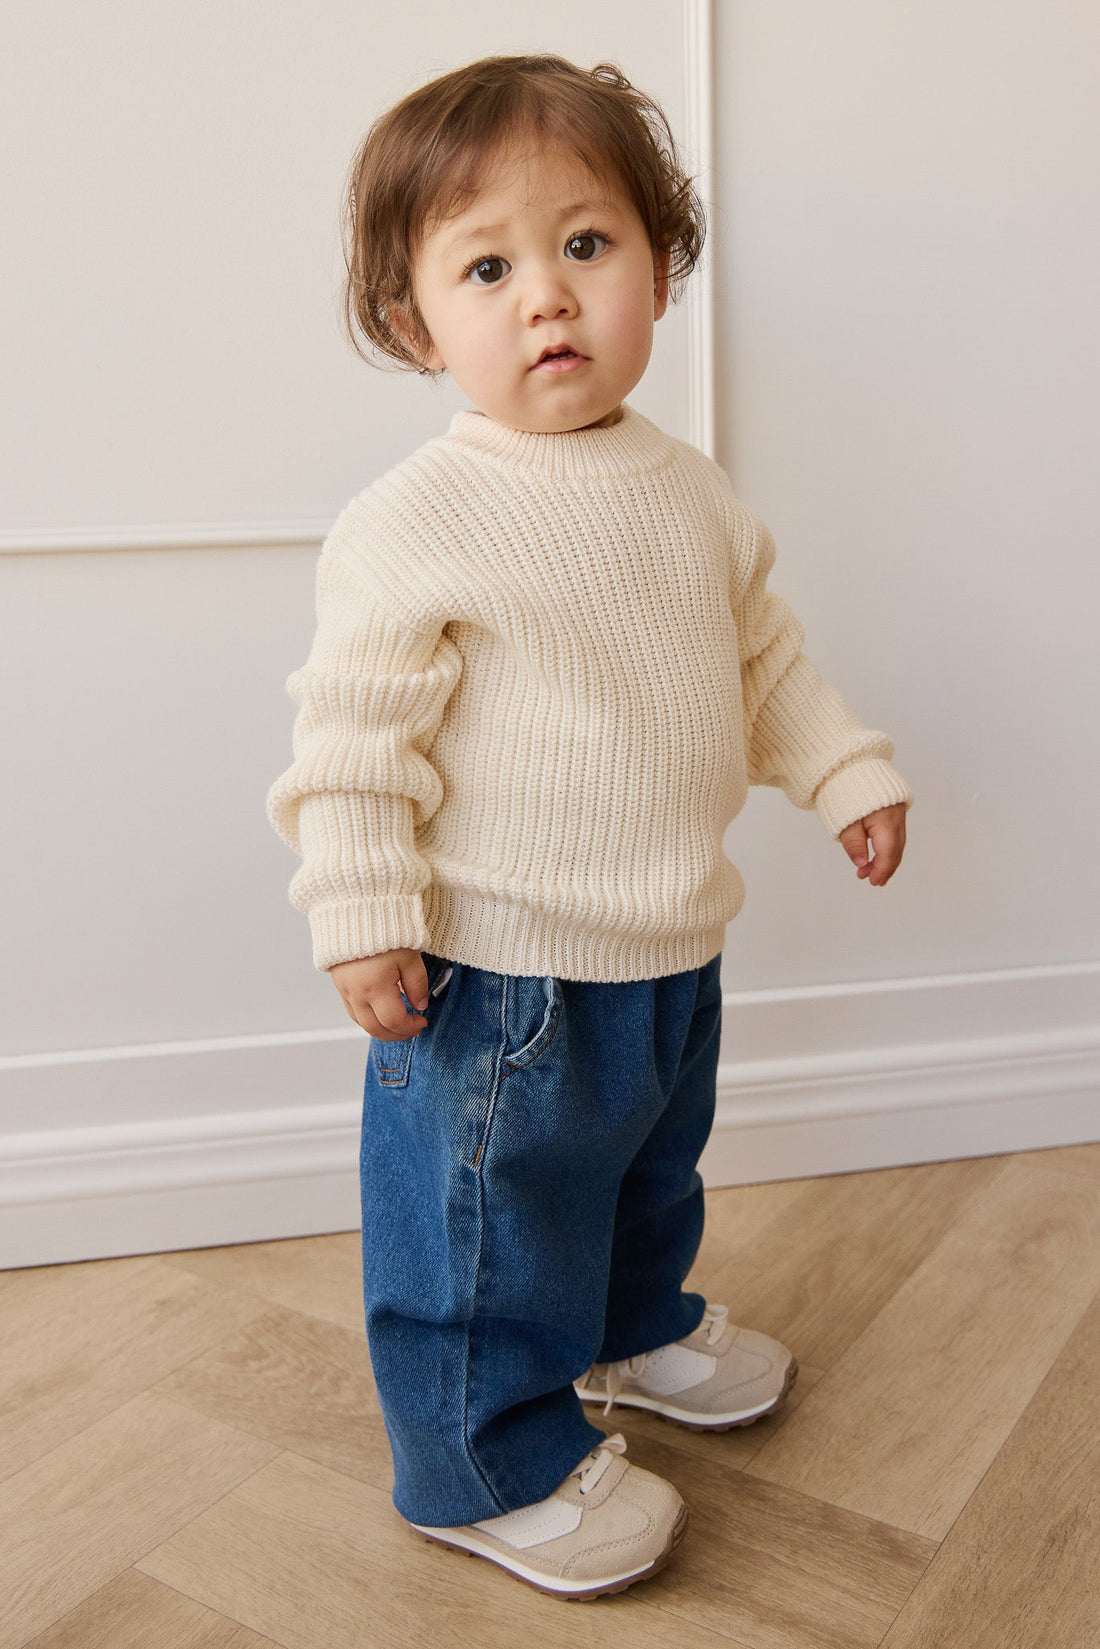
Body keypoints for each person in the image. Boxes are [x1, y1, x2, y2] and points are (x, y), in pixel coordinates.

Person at [267, 54, 911, 1601]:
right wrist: (360, 912)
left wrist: (841, 768)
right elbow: (351, 739)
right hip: (501, 974)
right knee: (490, 1222)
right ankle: (478, 1456)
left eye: (585, 244)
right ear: (417, 325)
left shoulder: (689, 490)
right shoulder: (417, 518)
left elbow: (760, 659)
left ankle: (627, 1324)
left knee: (642, 1170)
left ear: (659, 269)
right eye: (488, 268)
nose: (547, 295)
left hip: (669, 938)